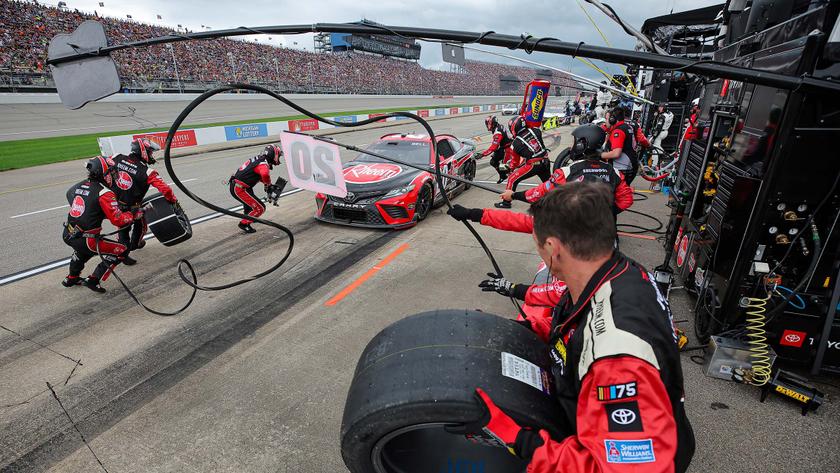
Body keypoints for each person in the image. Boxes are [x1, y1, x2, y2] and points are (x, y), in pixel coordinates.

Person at [453, 182, 695, 473]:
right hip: (620, 417)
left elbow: (628, 469)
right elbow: (577, 325)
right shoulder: (618, 270)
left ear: (553, 249)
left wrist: (519, 440)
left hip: (638, 447)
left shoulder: (617, 362)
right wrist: (521, 330)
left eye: (538, 243)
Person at [499, 124, 633, 213]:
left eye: (575, 141)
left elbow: (538, 194)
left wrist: (513, 195)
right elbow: (627, 199)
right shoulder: (614, 172)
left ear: (582, 144)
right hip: (604, 235)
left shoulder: (567, 171)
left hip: (574, 234)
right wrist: (609, 213)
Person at [62, 156, 140, 293]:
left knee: (81, 252)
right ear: (102, 172)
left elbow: (69, 194)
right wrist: (132, 215)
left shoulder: (81, 185)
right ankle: (93, 280)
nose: (114, 176)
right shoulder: (105, 193)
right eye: (111, 172)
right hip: (88, 240)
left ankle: (71, 278)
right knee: (122, 250)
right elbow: (118, 220)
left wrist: (92, 211)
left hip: (68, 234)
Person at [110, 138, 177, 264]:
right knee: (140, 223)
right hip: (131, 207)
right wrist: (172, 201)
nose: (152, 155)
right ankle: (133, 245)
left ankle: (124, 247)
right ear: (143, 151)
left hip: (111, 203)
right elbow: (166, 190)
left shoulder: (116, 157)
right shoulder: (148, 172)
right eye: (150, 152)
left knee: (122, 229)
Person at [495, 115, 551, 209]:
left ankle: (506, 202)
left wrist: (508, 168)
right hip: (545, 161)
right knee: (549, 183)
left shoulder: (515, 143)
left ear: (514, 127)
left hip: (533, 165)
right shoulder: (536, 130)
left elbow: (515, 163)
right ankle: (558, 199)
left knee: (512, 179)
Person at [229, 144, 285, 233]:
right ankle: (244, 224)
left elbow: (256, 175)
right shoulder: (263, 164)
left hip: (240, 186)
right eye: (278, 155)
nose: (279, 158)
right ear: (274, 154)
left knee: (250, 208)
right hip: (239, 189)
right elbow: (265, 174)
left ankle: (249, 217)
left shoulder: (260, 159)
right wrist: (268, 184)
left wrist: (268, 185)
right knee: (260, 208)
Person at [599, 106, 639, 185]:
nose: (605, 122)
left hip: (622, 168)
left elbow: (616, 153)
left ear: (612, 120)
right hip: (630, 165)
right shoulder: (627, 127)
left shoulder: (618, 131)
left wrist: (600, 155)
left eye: (607, 119)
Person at [479, 115, 514, 184]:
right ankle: (502, 176)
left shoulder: (498, 132)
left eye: (487, 124)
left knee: (505, 168)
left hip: (507, 148)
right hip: (502, 147)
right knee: (493, 162)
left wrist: (483, 154)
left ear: (492, 123)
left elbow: (493, 147)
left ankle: (511, 181)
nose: (487, 125)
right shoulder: (498, 126)